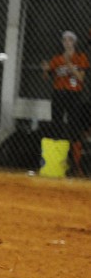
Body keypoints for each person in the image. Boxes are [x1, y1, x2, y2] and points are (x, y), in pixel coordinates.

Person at [41, 30, 89, 174]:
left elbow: (81, 78)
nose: (67, 43)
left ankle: (75, 164)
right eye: (65, 40)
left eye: (70, 40)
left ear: (74, 42)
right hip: (59, 93)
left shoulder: (80, 57)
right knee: (56, 123)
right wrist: (45, 70)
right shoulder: (57, 59)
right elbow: (47, 77)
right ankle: (56, 160)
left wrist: (69, 65)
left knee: (74, 126)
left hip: (74, 94)